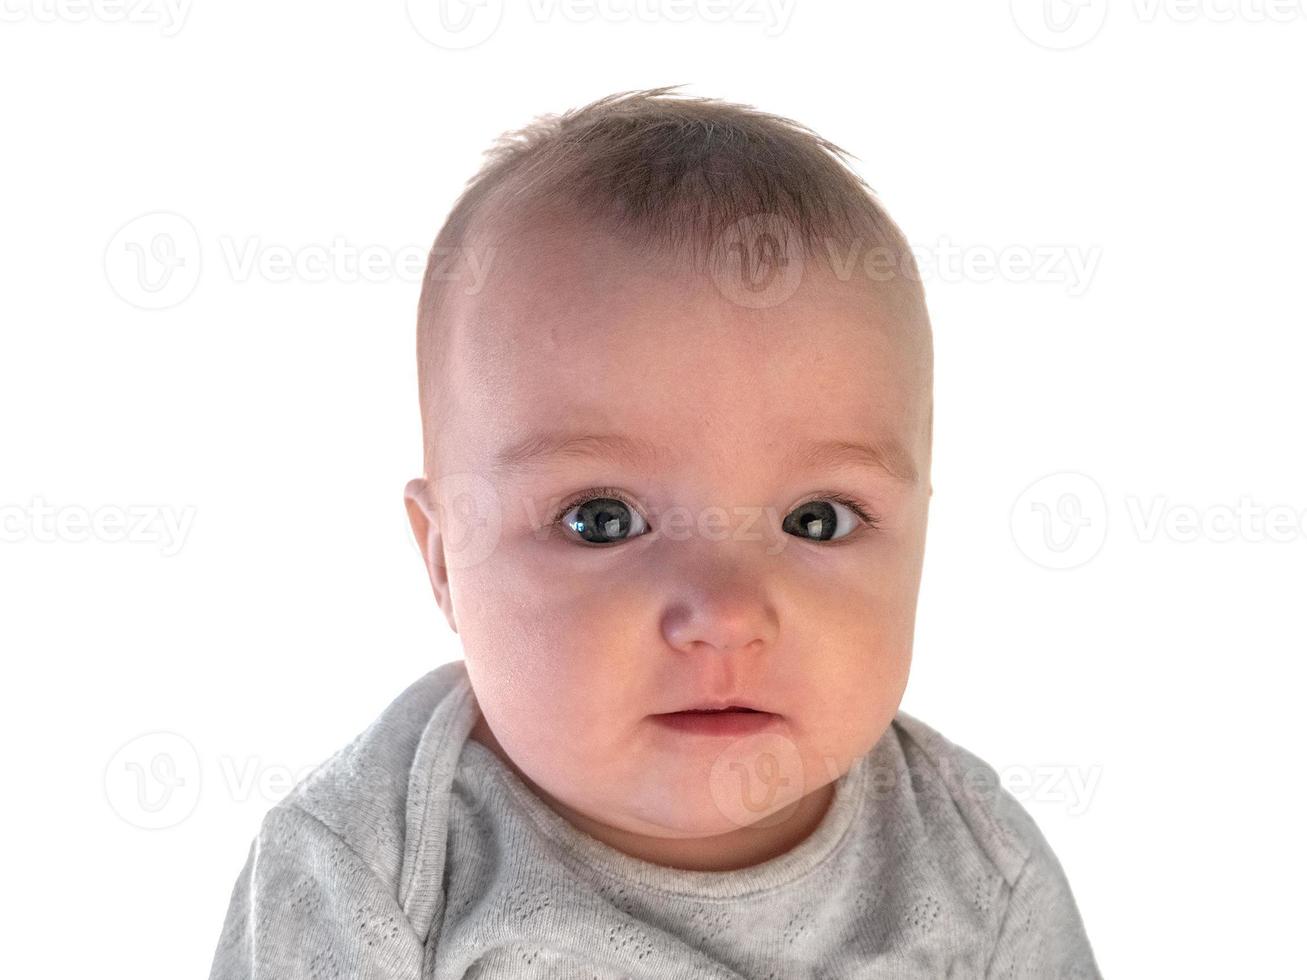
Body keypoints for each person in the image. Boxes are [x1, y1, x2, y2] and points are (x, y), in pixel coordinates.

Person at [207, 85, 1101, 978]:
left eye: (815, 520)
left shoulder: (976, 871)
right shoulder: (370, 869)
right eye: (602, 521)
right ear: (442, 560)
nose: (726, 613)